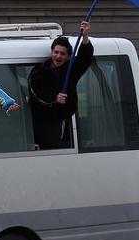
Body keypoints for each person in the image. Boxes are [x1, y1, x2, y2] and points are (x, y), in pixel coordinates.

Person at [28, 21, 94, 150]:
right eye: (56, 52)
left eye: (63, 54)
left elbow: (85, 58)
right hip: (42, 123)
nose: (58, 56)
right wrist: (54, 98)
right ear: (51, 52)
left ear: (69, 57)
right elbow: (35, 92)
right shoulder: (39, 71)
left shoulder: (71, 71)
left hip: (65, 123)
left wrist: (85, 36)